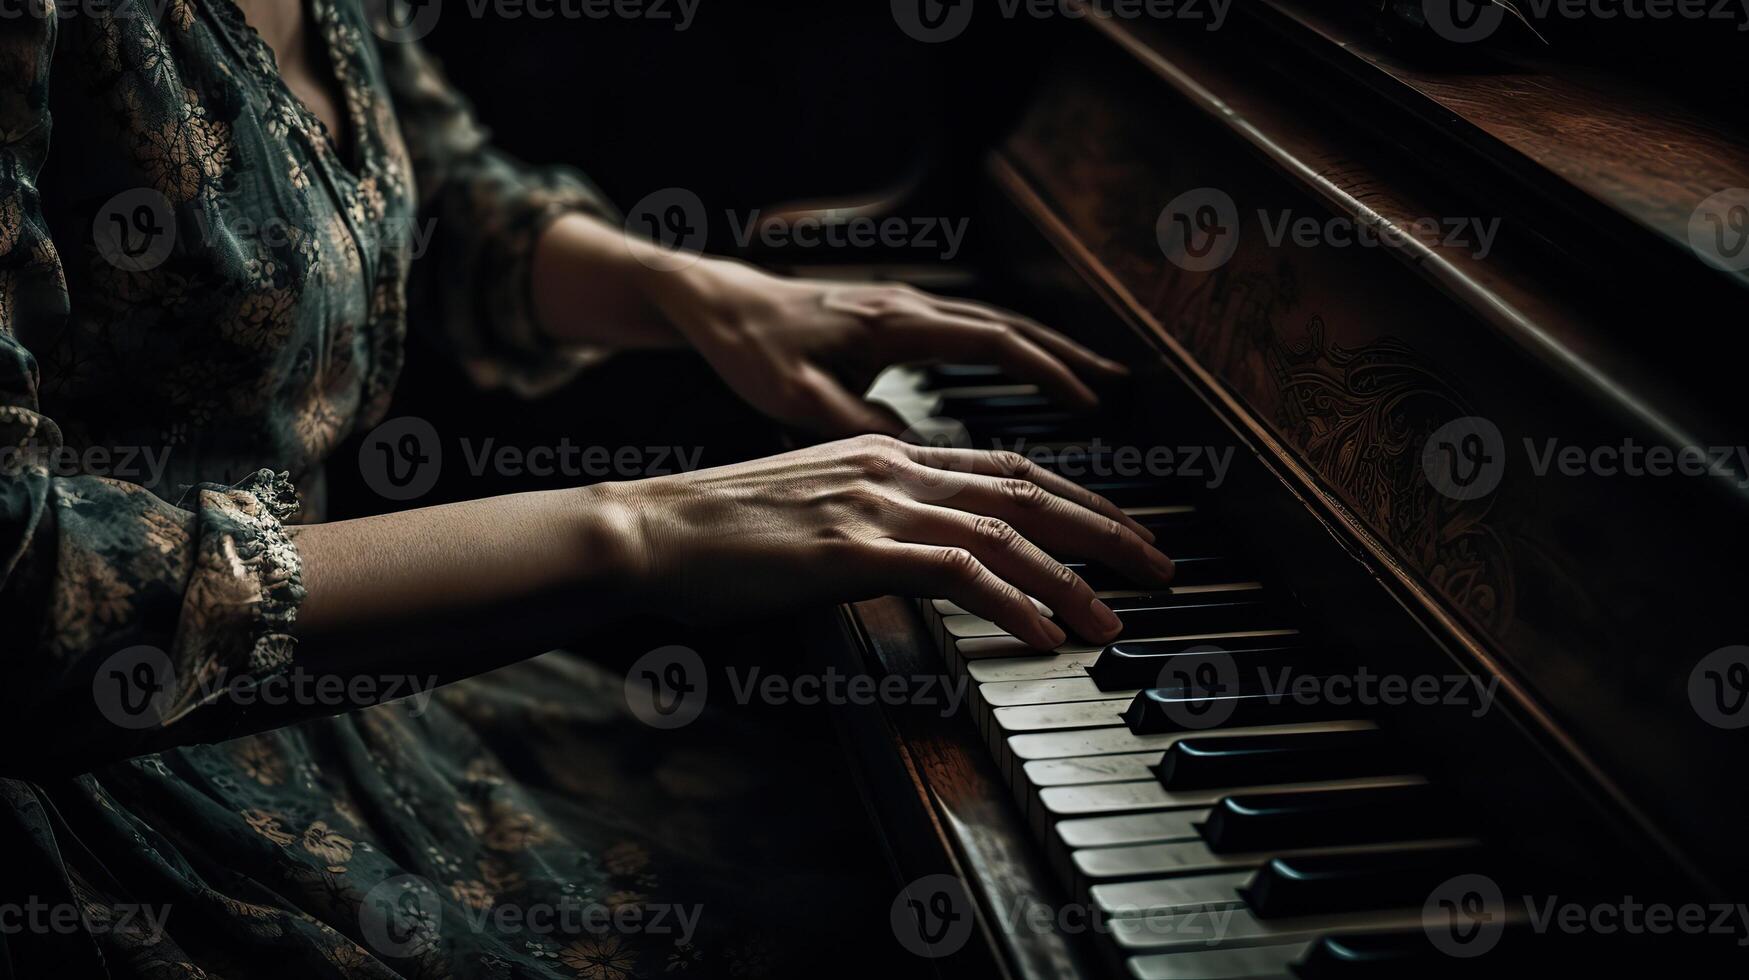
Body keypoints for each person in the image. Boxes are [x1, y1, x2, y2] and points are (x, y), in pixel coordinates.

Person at [0, 1, 1173, 975]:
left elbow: (413, 191)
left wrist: (688, 289)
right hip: (110, 789)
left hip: (358, 708)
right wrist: (643, 527)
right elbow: (20, 584)